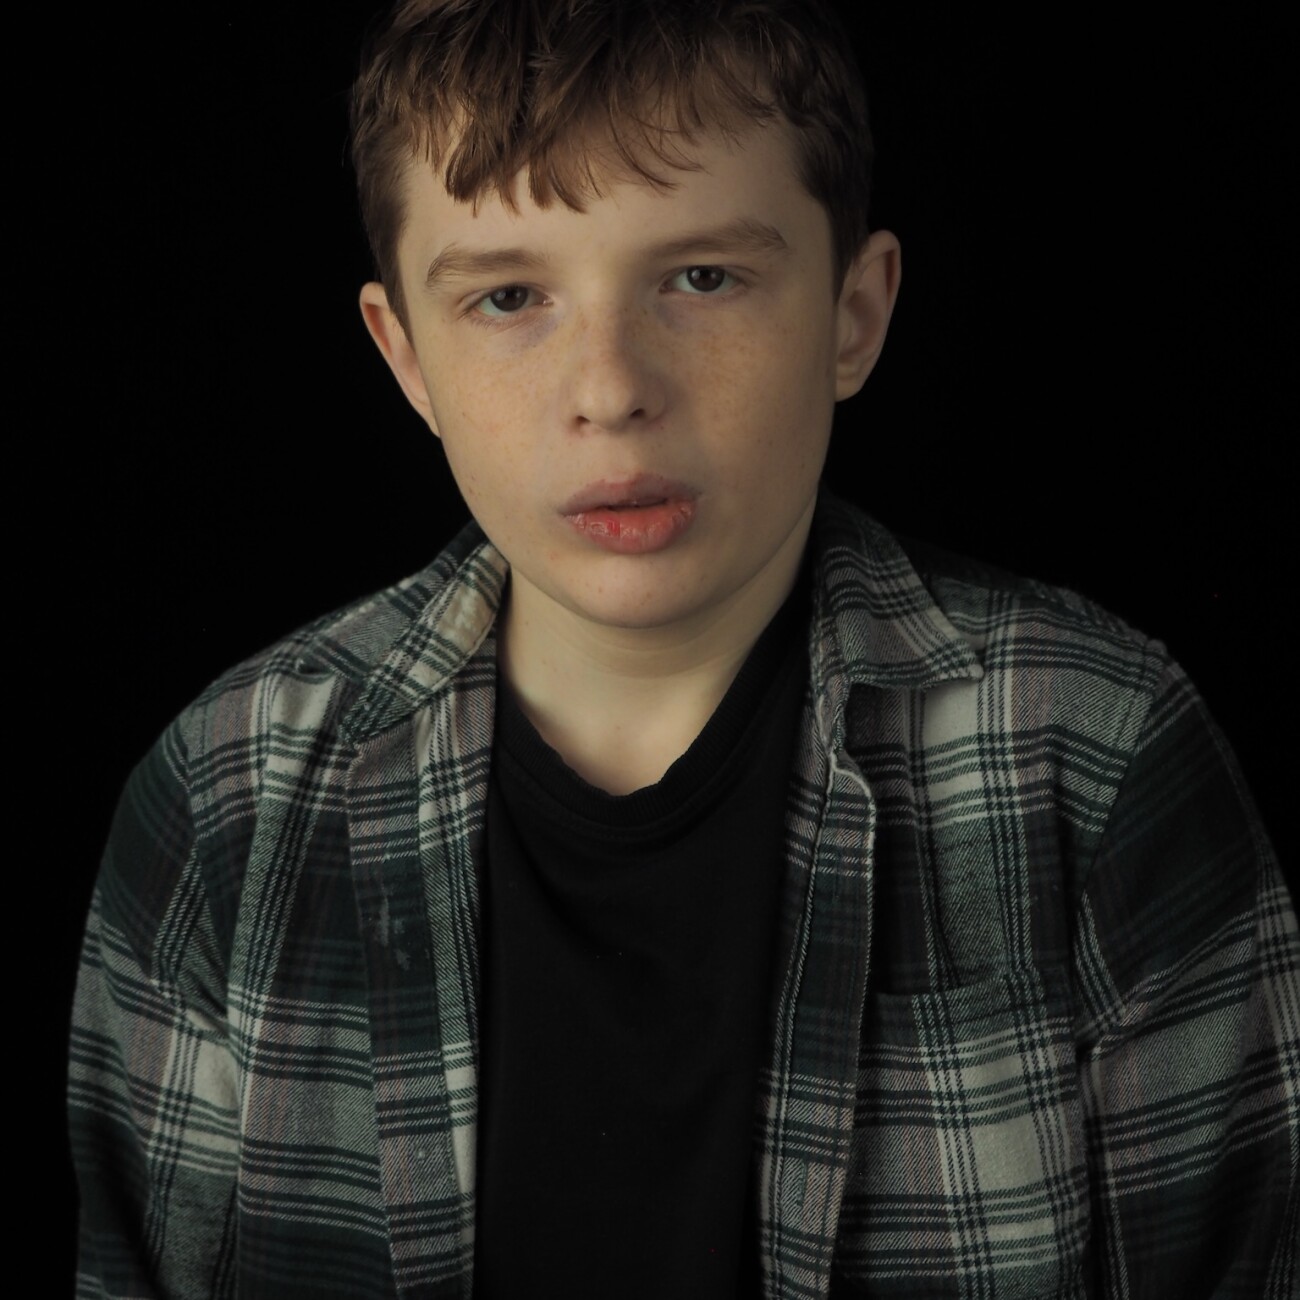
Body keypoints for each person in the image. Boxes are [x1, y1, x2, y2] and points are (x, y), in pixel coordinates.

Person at [69, 1, 1299, 1296]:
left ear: (853, 314)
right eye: (507, 297)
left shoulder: (1093, 754)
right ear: (408, 358)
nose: (611, 388)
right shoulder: (230, 792)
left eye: (702, 277)